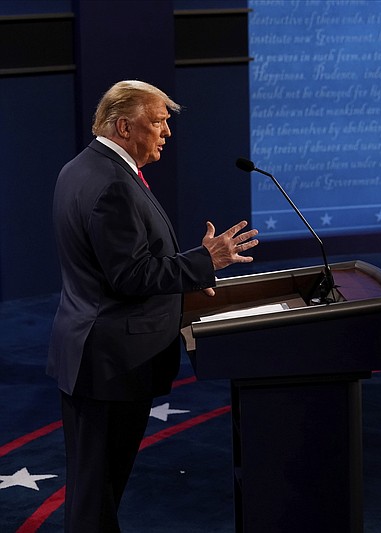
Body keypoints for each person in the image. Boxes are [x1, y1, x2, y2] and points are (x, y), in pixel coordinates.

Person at [47, 80, 259, 532]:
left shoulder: (80, 168)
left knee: (94, 492)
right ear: (124, 126)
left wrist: (188, 274)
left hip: (92, 353)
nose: (166, 132)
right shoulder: (112, 186)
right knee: (96, 496)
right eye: (158, 122)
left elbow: (117, 268)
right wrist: (205, 261)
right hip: (111, 363)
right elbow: (130, 276)